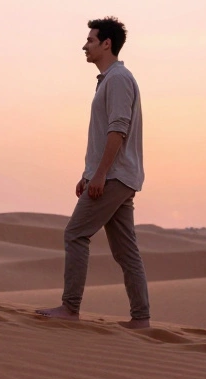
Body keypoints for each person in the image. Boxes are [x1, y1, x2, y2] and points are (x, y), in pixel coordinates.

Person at [38, 17, 150, 329]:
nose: (84, 45)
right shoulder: (111, 80)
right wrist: (89, 173)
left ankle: (70, 307)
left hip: (114, 176)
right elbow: (106, 133)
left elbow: (118, 131)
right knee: (126, 252)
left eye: (90, 40)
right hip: (117, 175)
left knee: (75, 233)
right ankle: (141, 318)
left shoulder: (117, 79)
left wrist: (100, 175)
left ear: (106, 44)